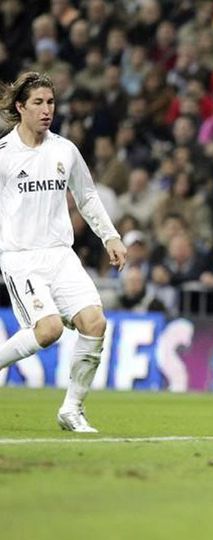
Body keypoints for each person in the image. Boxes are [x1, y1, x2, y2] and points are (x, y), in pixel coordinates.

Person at [0, 72, 127, 432]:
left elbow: (86, 196)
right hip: (21, 257)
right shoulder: (4, 155)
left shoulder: (64, 150)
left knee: (95, 323)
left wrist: (111, 237)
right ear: (20, 107)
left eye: (50, 102)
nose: (46, 110)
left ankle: (71, 410)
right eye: (38, 103)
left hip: (60, 255)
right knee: (49, 330)